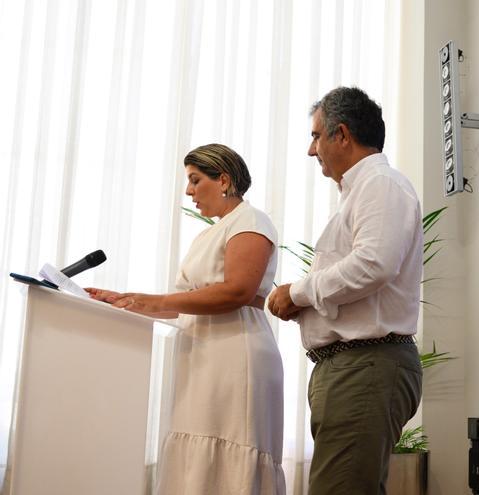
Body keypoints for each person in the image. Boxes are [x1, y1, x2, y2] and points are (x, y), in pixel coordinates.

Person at [87, 144, 285, 495]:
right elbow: (186, 304)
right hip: (200, 353)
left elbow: (237, 292)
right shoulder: (209, 233)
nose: (188, 191)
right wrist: (126, 301)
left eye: (195, 180)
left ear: (223, 179)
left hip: (235, 355)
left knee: (230, 448)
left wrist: (152, 299)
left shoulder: (251, 221)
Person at [267, 87, 423, 495]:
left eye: (316, 136)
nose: (310, 149)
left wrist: (298, 293)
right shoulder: (364, 191)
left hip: (367, 365)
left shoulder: (381, 184)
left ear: (342, 134)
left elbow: (373, 264)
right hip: (352, 367)